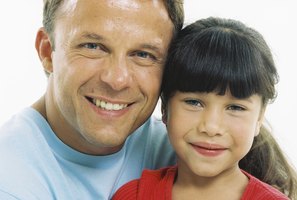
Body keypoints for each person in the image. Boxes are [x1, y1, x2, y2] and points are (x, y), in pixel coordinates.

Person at [0, 0, 184, 199]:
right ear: (47, 52)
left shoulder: (188, 152)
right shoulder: (9, 179)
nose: (117, 80)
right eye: (93, 46)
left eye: (143, 54)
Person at [112, 17, 297, 199]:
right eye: (194, 103)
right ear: (165, 107)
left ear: (260, 117)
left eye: (235, 107)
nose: (211, 127)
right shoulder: (133, 195)